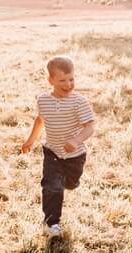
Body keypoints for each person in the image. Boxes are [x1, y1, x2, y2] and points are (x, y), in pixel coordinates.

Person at [21, 56, 95, 237]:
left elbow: (90, 126)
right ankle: (51, 223)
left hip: (75, 156)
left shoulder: (79, 101)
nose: (68, 84)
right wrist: (30, 140)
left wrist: (76, 141)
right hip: (52, 152)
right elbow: (40, 120)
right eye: (62, 80)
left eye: (71, 79)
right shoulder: (43, 100)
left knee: (70, 183)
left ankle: (69, 182)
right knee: (52, 186)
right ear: (51, 80)